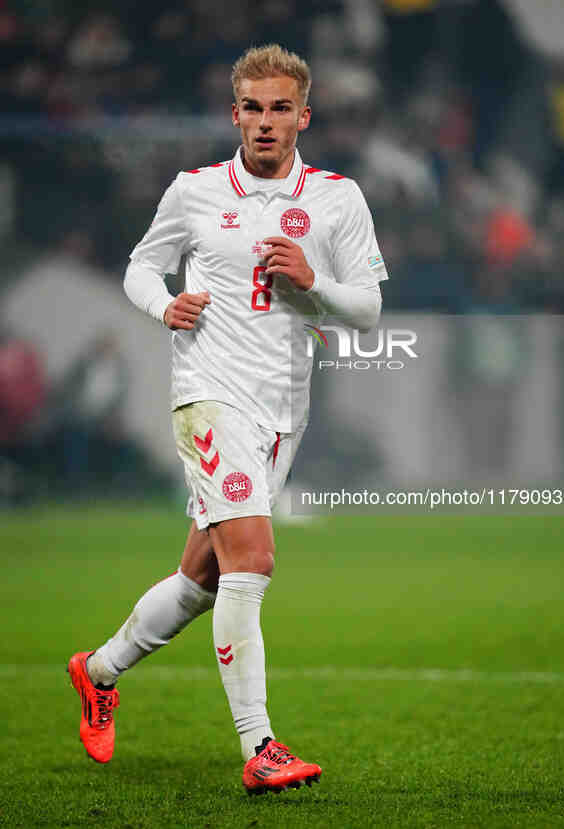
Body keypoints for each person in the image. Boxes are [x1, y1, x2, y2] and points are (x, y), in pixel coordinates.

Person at [67, 44, 387, 795]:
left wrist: (314, 283)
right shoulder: (195, 190)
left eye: (281, 108)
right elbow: (142, 265)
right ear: (233, 113)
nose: (265, 122)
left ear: (303, 115)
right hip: (208, 393)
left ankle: (100, 668)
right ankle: (261, 746)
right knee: (254, 558)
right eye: (252, 107)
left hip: (284, 408)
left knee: (203, 577)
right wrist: (161, 304)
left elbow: (367, 311)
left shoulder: (338, 198)